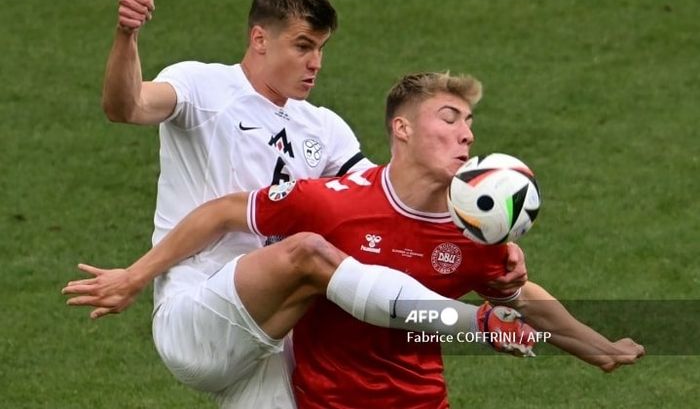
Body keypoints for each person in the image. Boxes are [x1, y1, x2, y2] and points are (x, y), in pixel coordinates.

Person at [64, 0, 528, 407]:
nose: (315, 63)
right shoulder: (203, 87)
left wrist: (485, 242)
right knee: (311, 252)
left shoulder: (324, 128)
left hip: (273, 333)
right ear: (260, 39)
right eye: (303, 46)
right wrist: (127, 36)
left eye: (321, 49)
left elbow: (389, 209)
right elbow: (126, 106)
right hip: (199, 315)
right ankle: (472, 327)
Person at [64, 72, 644, 408]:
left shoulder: (475, 231)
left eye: (470, 124)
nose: (466, 134)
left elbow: (525, 302)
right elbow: (221, 213)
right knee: (308, 255)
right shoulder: (330, 202)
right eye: (449, 118)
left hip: (419, 404)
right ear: (402, 128)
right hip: (324, 404)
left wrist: (600, 349)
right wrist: (138, 275)